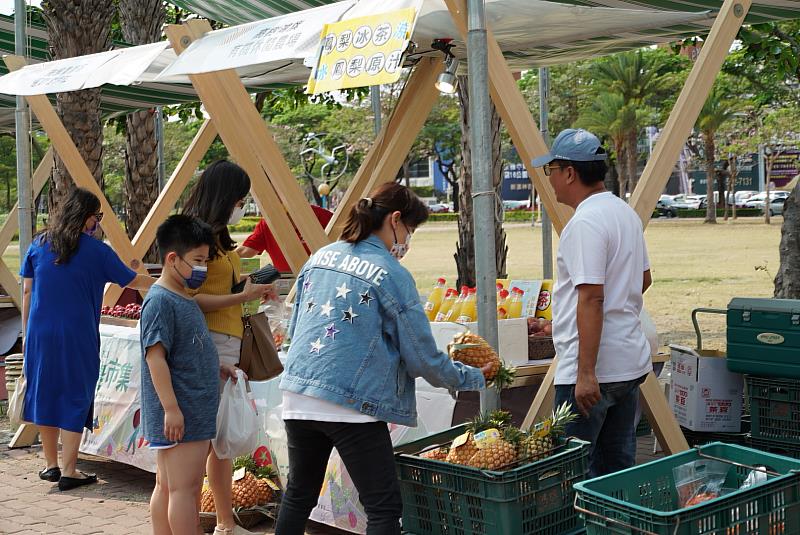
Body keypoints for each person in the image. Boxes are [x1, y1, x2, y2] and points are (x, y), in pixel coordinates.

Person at [275, 183, 491, 535]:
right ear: (394, 220)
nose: (407, 240)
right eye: (410, 229)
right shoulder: (391, 273)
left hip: (298, 394)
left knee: (299, 495)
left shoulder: (319, 257)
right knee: (383, 506)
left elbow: (297, 325)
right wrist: (471, 377)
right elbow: (422, 357)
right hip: (351, 404)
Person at [532, 128, 652, 478]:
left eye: (550, 170)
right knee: (616, 475)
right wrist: (615, 314)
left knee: (571, 476)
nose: (550, 180)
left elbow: (591, 296)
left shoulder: (584, 222)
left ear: (569, 172)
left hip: (592, 373)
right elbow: (643, 280)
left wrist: (586, 372)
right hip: (628, 364)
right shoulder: (623, 213)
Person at [20, 187, 154, 491]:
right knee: (75, 394)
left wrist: (27, 333)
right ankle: (70, 469)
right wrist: (169, 281)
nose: (99, 223)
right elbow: (132, 280)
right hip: (78, 333)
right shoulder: (97, 250)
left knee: (46, 391)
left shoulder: (38, 244)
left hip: (40, 333)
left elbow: (28, 291)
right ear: (86, 217)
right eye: (98, 216)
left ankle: (50, 465)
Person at [181, 160, 271, 535]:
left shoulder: (218, 239)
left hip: (227, 345)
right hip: (210, 346)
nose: (243, 205)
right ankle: (192, 520)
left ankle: (223, 523)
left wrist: (248, 287)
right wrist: (240, 297)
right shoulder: (197, 239)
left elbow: (217, 289)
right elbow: (191, 297)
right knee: (201, 445)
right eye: (240, 198)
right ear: (226, 197)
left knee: (221, 444)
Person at [140, 214, 240, 535]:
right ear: (173, 259)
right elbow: (155, 358)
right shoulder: (160, 301)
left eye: (206, 260)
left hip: (188, 408)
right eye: (197, 260)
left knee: (169, 485)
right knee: (186, 488)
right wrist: (171, 408)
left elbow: (188, 348)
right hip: (183, 411)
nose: (203, 268)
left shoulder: (183, 296)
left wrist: (217, 367)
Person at [236, 205, 333, 272]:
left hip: (321, 280)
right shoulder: (268, 223)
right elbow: (246, 251)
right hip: (286, 284)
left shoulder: (321, 216)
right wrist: (223, 258)